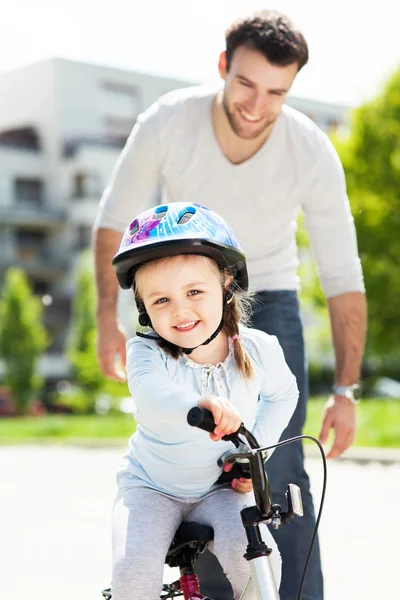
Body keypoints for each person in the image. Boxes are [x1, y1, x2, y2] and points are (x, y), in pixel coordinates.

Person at [93, 10, 367, 600]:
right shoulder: (167, 121)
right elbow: (113, 222)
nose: (257, 104)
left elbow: (342, 273)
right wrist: (105, 322)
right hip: (182, 290)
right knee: (197, 449)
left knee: (273, 473)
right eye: (245, 83)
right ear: (223, 67)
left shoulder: (309, 149)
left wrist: (345, 391)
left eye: (277, 91)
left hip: (269, 296)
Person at [110, 202, 299, 599]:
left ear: (226, 285)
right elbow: (150, 393)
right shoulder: (146, 352)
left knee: (256, 561)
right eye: (160, 301)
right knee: (132, 573)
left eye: (194, 291)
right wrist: (199, 404)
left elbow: (284, 394)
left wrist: (253, 450)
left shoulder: (259, 348)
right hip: (151, 487)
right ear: (144, 308)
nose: (180, 310)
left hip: (220, 489)